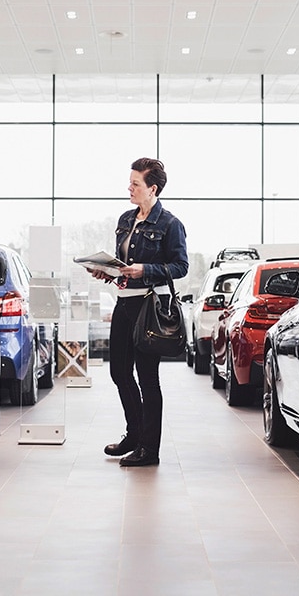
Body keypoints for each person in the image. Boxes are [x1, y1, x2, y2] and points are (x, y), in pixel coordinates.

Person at [89, 157, 188, 467]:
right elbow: (123, 265)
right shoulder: (125, 219)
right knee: (119, 372)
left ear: (152, 188)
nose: (129, 188)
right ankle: (134, 435)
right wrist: (108, 272)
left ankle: (149, 449)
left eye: (135, 183)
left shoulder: (170, 224)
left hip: (148, 306)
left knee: (147, 378)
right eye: (130, 182)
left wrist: (144, 270)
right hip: (124, 303)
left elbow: (180, 267)